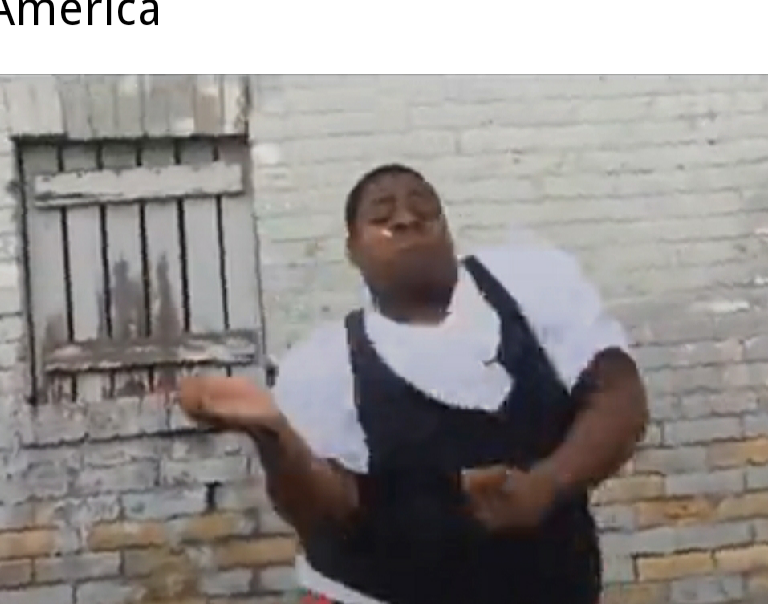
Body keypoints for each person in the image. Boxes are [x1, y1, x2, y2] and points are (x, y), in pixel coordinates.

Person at [179, 163, 649, 604]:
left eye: (423, 206)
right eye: (381, 215)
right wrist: (273, 436)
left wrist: (545, 485)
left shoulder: (532, 285)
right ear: (353, 251)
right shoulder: (323, 364)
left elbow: (618, 395)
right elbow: (330, 512)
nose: (405, 218)